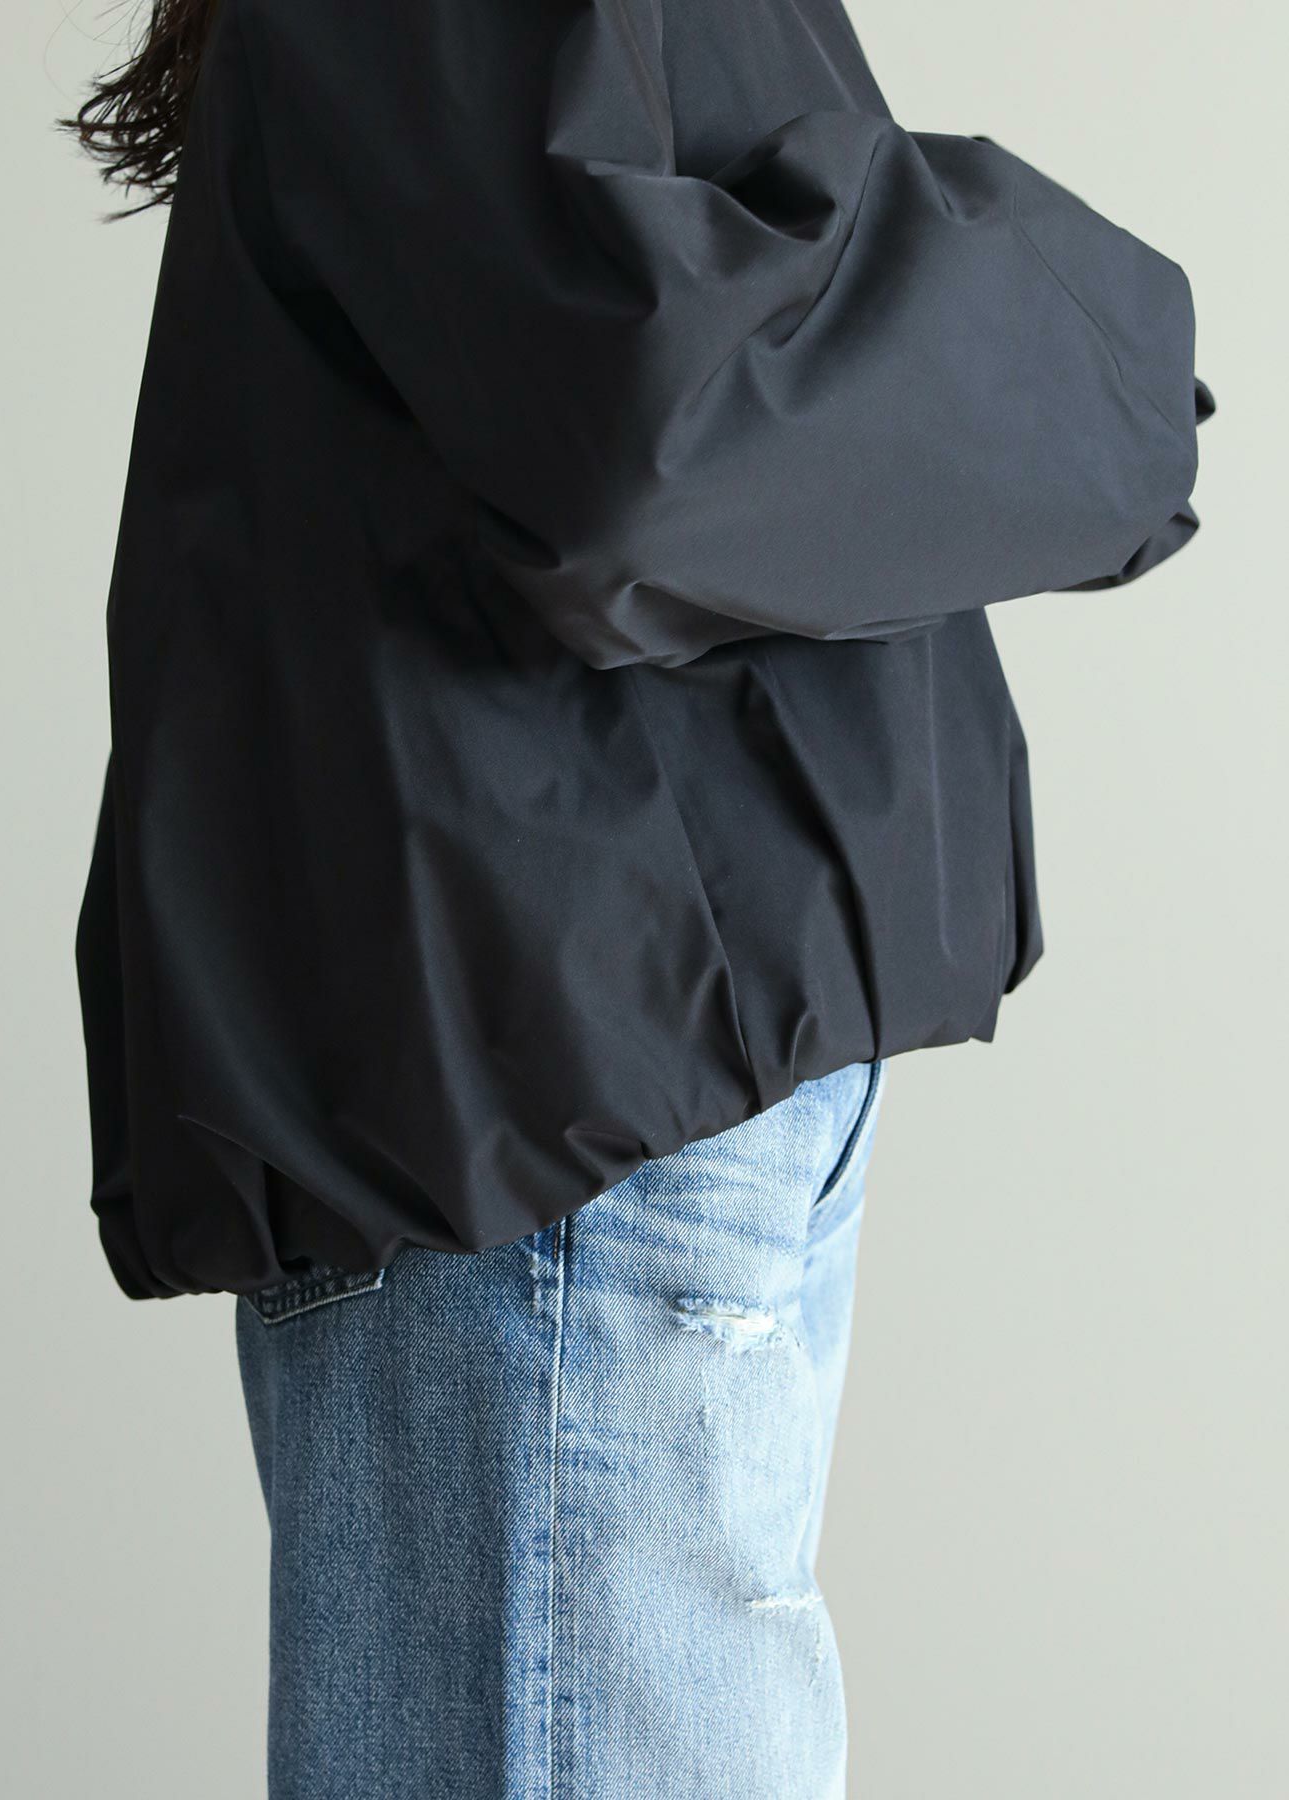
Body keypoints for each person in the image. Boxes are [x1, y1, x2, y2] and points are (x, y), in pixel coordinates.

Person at [66, 1, 1211, 1793]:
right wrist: (1102, 343)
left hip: (578, 1069)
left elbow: (649, 397)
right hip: (556, 1092)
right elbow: (648, 418)